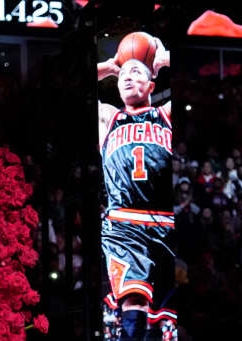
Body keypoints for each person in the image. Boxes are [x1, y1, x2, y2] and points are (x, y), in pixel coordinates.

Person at [97, 34, 176, 340]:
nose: (129, 77)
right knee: (133, 299)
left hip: (166, 220)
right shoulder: (108, 118)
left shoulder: (165, 115)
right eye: (124, 75)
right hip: (124, 221)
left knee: (162, 314)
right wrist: (111, 65)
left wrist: (163, 58)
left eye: (137, 72)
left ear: (152, 85)